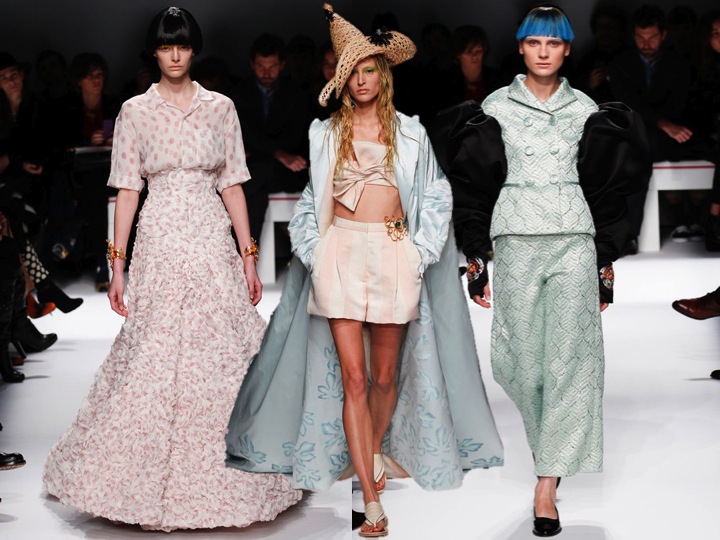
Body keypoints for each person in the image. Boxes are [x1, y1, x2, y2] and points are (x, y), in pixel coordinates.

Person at [226, 5, 503, 537]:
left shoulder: (411, 134)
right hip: (341, 254)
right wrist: (315, 250)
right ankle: (372, 502)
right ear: (340, 78)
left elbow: (436, 195)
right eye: (351, 71)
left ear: (383, 74)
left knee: (384, 377)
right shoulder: (325, 133)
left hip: (395, 253)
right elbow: (312, 200)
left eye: (369, 70)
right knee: (354, 378)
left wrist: (420, 252)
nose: (360, 80)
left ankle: (370, 452)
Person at [43, 7, 300, 531]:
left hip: (209, 238)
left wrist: (249, 257)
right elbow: (127, 190)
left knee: (222, 348)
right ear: (155, 52)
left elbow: (232, 183)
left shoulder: (220, 108)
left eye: (183, 45)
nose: (176, 55)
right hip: (159, 238)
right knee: (153, 352)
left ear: (194, 49)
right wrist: (117, 268)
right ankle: (133, 478)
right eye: (166, 46)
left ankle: (237, 472)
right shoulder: (135, 111)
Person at [432, 5, 651, 537]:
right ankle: (551, 451)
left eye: (554, 43)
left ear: (567, 49)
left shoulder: (587, 108)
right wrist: (476, 256)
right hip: (514, 238)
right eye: (535, 43)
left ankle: (546, 484)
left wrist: (604, 264)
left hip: (573, 238)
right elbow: (473, 182)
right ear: (521, 47)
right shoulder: (494, 106)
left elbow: (606, 188)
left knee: (571, 361)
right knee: (519, 363)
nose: (544, 52)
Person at [231, 34, 311, 243]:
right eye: (261, 66)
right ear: (252, 64)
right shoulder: (240, 93)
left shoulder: (296, 94)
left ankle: (237, 248)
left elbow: (294, 138)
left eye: (272, 66)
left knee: (257, 174)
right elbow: (244, 132)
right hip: (257, 172)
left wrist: (264, 151)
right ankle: (249, 256)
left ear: (282, 65)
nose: (266, 72)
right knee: (257, 197)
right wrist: (278, 152)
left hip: (283, 172)